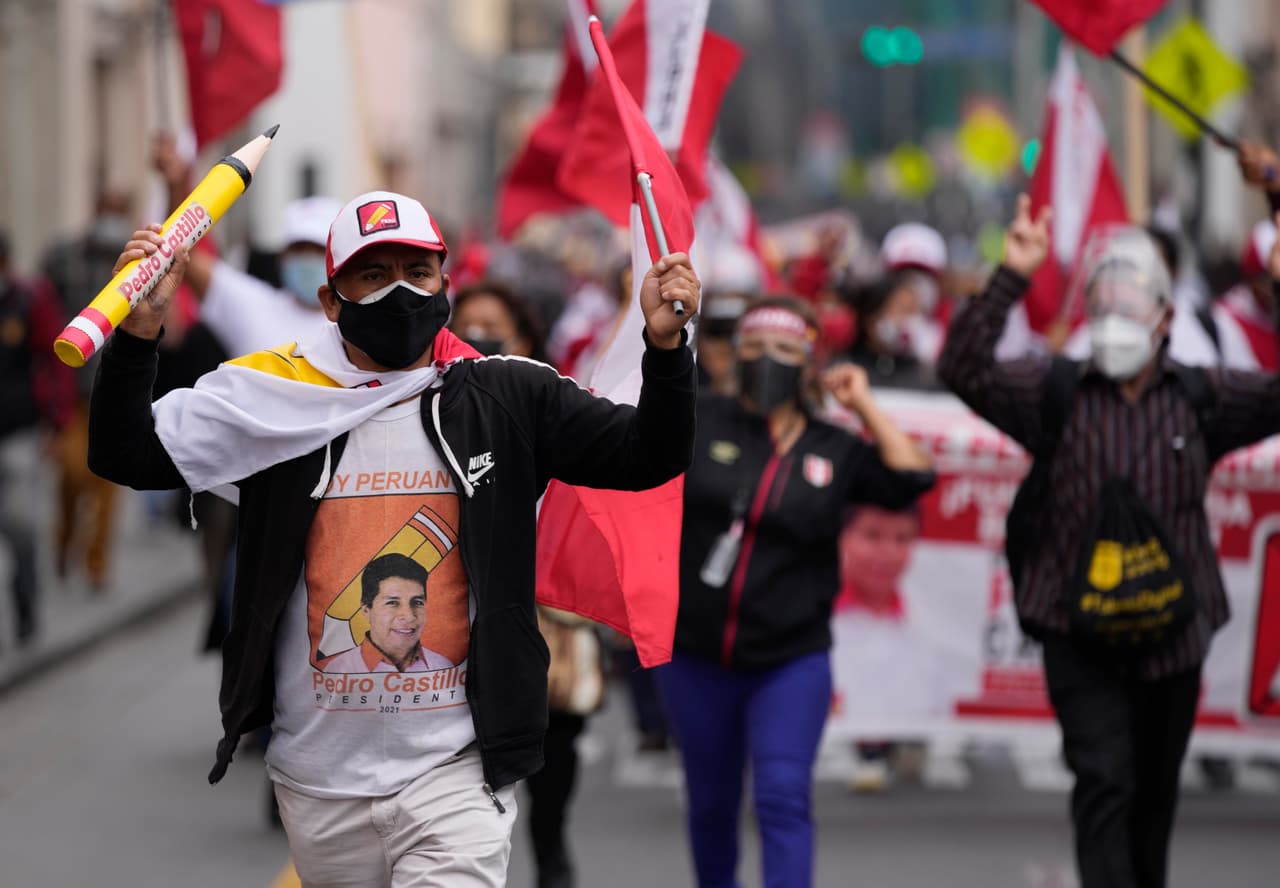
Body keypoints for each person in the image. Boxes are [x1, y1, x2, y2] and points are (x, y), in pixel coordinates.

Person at [86, 188, 700, 887]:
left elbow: (648, 454)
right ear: (330, 300)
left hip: (456, 774)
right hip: (318, 782)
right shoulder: (271, 397)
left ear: (445, 283)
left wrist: (665, 348)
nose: (400, 292)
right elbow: (124, 454)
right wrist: (138, 334)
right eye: (374, 276)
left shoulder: (506, 395)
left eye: (418, 272)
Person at [938, 195, 1280, 888]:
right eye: (1105, 302)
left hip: (1172, 639)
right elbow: (963, 370)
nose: (1117, 315)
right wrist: (1011, 275)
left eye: (1132, 302)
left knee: (1153, 799)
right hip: (1079, 635)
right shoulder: (1053, 391)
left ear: (1165, 319)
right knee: (1103, 782)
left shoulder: (1201, 397)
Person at [657, 296, 935, 888]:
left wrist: (862, 404)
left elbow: (914, 475)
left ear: (810, 362)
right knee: (711, 803)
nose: (767, 359)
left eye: (784, 349)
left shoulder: (834, 446)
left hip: (790, 660)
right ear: (735, 355)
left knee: (782, 796)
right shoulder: (698, 417)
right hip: (695, 655)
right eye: (755, 346)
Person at [447, 279, 602, 888]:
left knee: (556, 742)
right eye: (469, 328)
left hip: (547, 609)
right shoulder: (429, 410)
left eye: (496, 330)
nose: (480, 339)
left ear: (527, 341)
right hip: (464, 611)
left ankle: (551, 845)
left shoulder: (549, 403)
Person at [41, 191, 133, 592]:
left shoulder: (136, 263)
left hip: (114, 392)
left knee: (109, 484)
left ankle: (97, 564)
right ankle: (64, 543)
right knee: (72, 474)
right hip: (72, 391)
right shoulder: (66, 257)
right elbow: (44, 311)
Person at [0, 231, 73, 643]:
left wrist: (57, 422)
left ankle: (26, 601)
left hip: (19, 434)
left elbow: (55, 358)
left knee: (20, 523)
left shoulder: (26, 302)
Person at [322, 553, 453, 673]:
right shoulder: (338, 671)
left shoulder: (443, 667)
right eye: (392, 603)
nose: (409, 616)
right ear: (366, 609)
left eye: (417, 602)